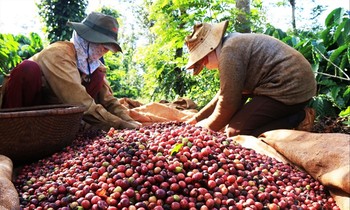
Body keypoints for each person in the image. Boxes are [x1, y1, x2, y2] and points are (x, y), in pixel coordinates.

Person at [0, 12, 141, 131]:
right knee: (28, 69)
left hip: (53, 117)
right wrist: (118, 124)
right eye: (103, 44)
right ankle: (11, 131)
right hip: (27, 109)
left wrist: (129, 120)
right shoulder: (59, 54)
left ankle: (65, 129)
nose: (106, 50)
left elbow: (108, 100)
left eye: (108, 47)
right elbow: (78, 100)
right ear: (87, 39)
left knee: (98, 75)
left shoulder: (92, 65)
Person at [184, 21, 316, 137]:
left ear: (210, 49)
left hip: (289, 88)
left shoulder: (229, 52)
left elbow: (228, 104)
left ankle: (298, 118)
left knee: (236, 132)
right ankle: (293, 115)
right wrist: (197, 119)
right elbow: (225, 93)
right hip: (286, 85)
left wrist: (205, 129)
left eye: (203, 61)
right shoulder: (230, 45)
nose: (205, 66)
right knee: (231, 123)